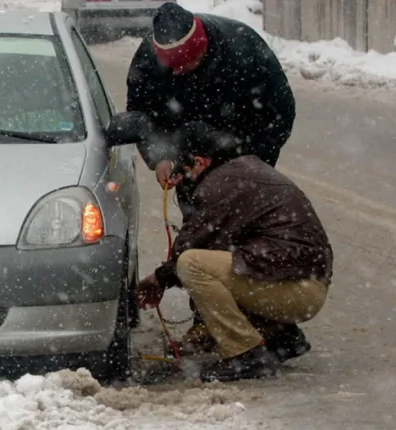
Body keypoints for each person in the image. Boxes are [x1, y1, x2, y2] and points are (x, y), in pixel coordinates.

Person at [125, 2, 297, 352]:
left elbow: (280, 114)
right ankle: (208, 321)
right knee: (199, 232)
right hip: (186, 157)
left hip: (244, 152)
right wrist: (160, 157)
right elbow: (141, 117)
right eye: (175, 67)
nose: (183, 71)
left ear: (201, 45)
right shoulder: (148, 60)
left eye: (190, 63)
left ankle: (272, 325)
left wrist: (242, 165)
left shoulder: (243, 49)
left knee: (246, 235)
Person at [135, 122, 333, 383]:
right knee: (226, 262)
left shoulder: (221, 184)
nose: (180, 180)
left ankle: (245, 353)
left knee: (193, 265)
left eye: (183, 170)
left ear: (200, 161)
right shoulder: (245, 169)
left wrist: (159, 278)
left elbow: (191, 247)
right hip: (304, 282)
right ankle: (280, 335)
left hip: (297, 290)